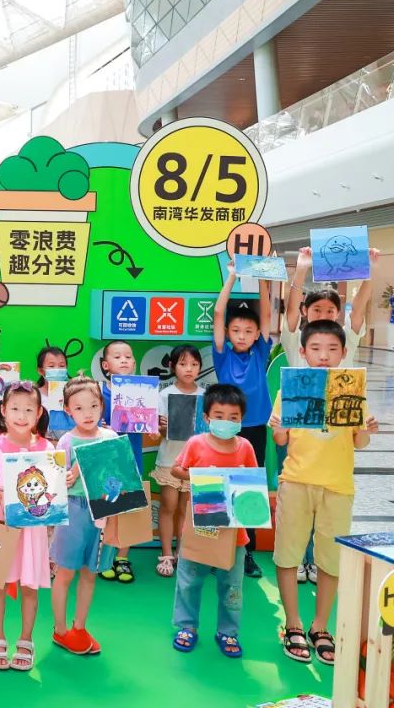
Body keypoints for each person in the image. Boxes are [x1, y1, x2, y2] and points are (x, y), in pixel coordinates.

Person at [270, 320, 379, 665]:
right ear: (303, 352)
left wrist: (367, 428)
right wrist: (279, 426)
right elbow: (280, 440)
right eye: (316, 349)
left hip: (338, 486)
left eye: (332, 349)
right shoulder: (290, 389)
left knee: (330, 560)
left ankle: (321, 626)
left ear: (343, 353)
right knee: (288, 554)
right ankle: (292, 623)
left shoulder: (352, 390)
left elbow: (360, 442)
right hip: (296, 481)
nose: (323, 356)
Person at [168, 384, 256, 658]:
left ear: (241, 419)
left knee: (232, 587)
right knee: (188, 581)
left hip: (235, 534)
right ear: (207, 418)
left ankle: (228, 631)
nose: (226, 422)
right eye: (219, 416)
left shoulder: (245, 447)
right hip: (199, 530)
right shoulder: (196, 443)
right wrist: (199, 475)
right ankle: (186, 626)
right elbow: (176, 469)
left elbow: (254, 484)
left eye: (233, 417)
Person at [0, 381, 52, 671]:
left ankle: (26, 639)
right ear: (3, 411)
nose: (22, 416)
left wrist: (65, 479)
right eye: (15, 409)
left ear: (39, 412)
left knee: (29, 585)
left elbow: (52, 487)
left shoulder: (46, 447)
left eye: (29, 410)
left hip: (32, 531)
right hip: (1, 526)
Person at [213, 263, 273, 579]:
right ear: (227, 333)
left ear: (257, 334)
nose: (242, 335)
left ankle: (246, 553)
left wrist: (263, 277)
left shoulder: (260, 352)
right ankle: (216, 552)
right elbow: (218, 313)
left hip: (255, 428)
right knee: (221, 486)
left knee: (250, 489)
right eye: (236, 330)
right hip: (225, 428)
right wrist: (233, 275)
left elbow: (266, 314)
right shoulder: (222, 353)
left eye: (248, 331)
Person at [51, 376, 115, 655]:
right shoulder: (66, 441)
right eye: (79, 408)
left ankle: (80, 627)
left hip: (104, 510)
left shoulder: (110, 437)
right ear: (68, 410)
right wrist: (69, 475)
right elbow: (56, 483)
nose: (87, 414)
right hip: (74, 509)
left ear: (101, 405)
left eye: (93, 406)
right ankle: (60, 630)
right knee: (65, 572)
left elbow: (120, 475)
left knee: (91, 572)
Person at [152, 345, 205, 578]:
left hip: (195, 463)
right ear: (173, 367)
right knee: (168, 506)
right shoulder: (164, 395)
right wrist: (163, 427)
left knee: (186, 509)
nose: (189, 369)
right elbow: (158, 432)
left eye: (194, 364)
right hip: (169, 460)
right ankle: (166, 553)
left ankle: (183, 552)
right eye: (183, 364)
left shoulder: (205, 396)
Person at [283, 246, 378, 368]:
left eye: (330, 311)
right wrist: (301, 268)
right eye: (317, 310)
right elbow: (292, 310)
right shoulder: (294, 339)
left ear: (338, 312)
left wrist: (369, 270)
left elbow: (357, 310)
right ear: (304, 310)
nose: (323, 316)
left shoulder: (347, 337)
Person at [97, 340, 144, 584]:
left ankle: (123, 558)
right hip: (107, 462)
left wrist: (154, 423)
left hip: (132, 459)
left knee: (129, 510)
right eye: (117, 357)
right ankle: (105, 556)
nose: (124, 360)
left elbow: (149, 429)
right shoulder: (98, 393)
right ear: (106, 365)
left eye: (128, 356)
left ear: (134, 363)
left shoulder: (142, 392)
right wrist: (101, 425)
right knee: (107, 510)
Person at [37, 345, 73, 441]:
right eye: (51, 366)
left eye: (62, 366)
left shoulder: (74, 393)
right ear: (41, 371)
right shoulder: (35, 396)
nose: (57, 370)